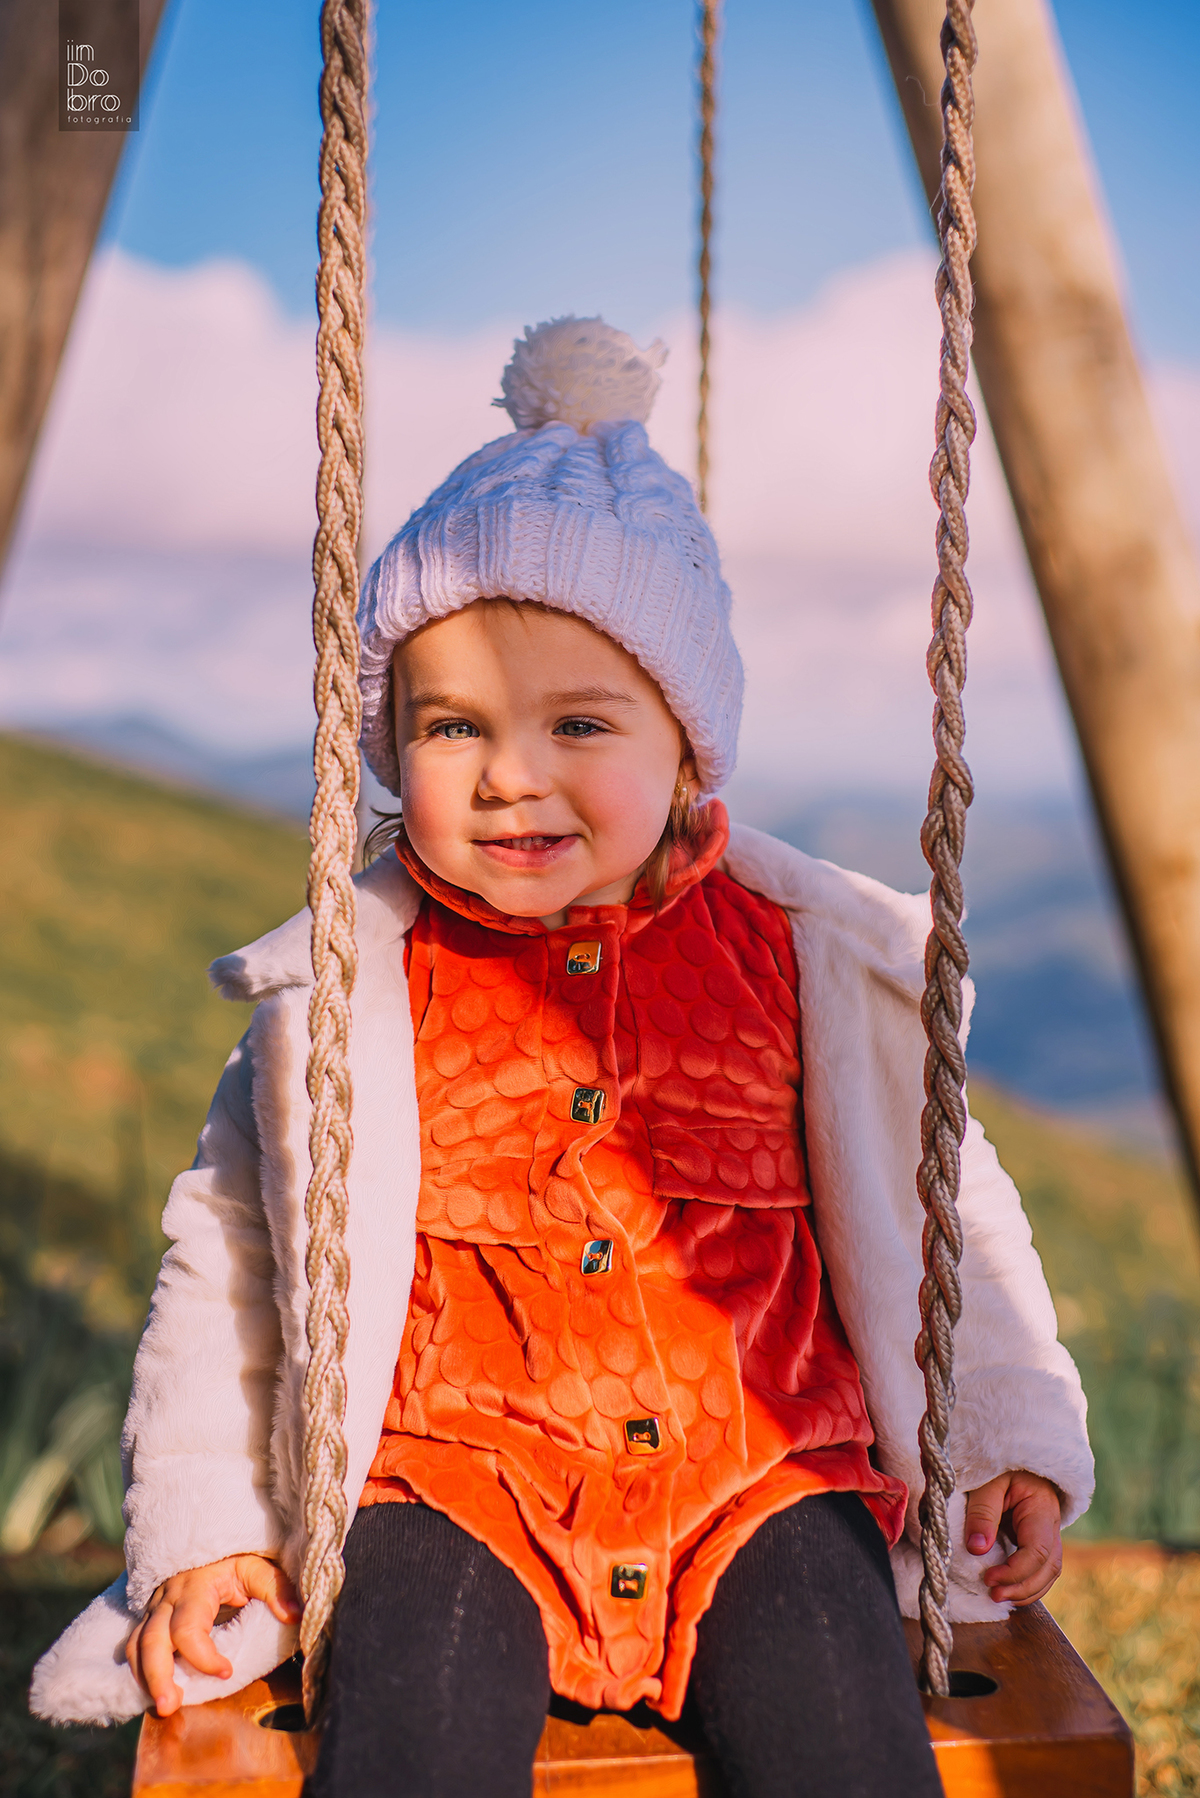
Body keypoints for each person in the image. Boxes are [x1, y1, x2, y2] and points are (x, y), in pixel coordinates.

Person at [32, 319, 1093, 1798]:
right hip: (451, 1481)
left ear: (688, 744)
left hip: (762, 1474)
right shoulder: (352, 998)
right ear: (392, 747)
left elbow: (946, 1209)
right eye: (452, 725)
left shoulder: (807, 962)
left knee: (845, 1745)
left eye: (580, 722)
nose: (512, 774)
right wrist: (207, 1521)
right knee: (405, 1748)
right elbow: (230, 1252)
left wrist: (1004, 1429)